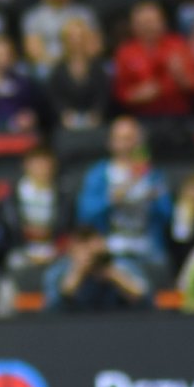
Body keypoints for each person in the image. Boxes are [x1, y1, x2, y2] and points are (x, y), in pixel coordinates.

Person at [76, 116, 173, 280]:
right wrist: (110, 199)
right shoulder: (99, 175)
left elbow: (167, 215)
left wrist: (155, 199)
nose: (126, 145)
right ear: (111, 142)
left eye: (130, 138)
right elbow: (85, 215)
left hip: (148, 251)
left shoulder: (153, 175)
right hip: (111, 250)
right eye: (120, 139)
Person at [43, 227, 148, 312]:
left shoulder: (123, 266)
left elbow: (146, 301)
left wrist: (113, 274)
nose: (90, 253)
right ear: (72, 249)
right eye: (84, 245)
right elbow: (53, 309)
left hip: (117, 323)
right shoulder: (57, 271)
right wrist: (78, 272)